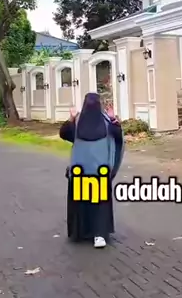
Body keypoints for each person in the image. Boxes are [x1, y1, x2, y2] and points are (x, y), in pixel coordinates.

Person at [59, 93, 124, 248]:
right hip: (100, 173)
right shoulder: (107, 124)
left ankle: (80, 233)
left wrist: (71, 118)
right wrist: (113, 119)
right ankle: (99, 235)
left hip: (79, 172)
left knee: (81, 202)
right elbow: (118, 138)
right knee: (100, 204)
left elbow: (64, 134)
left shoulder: (77, 123)